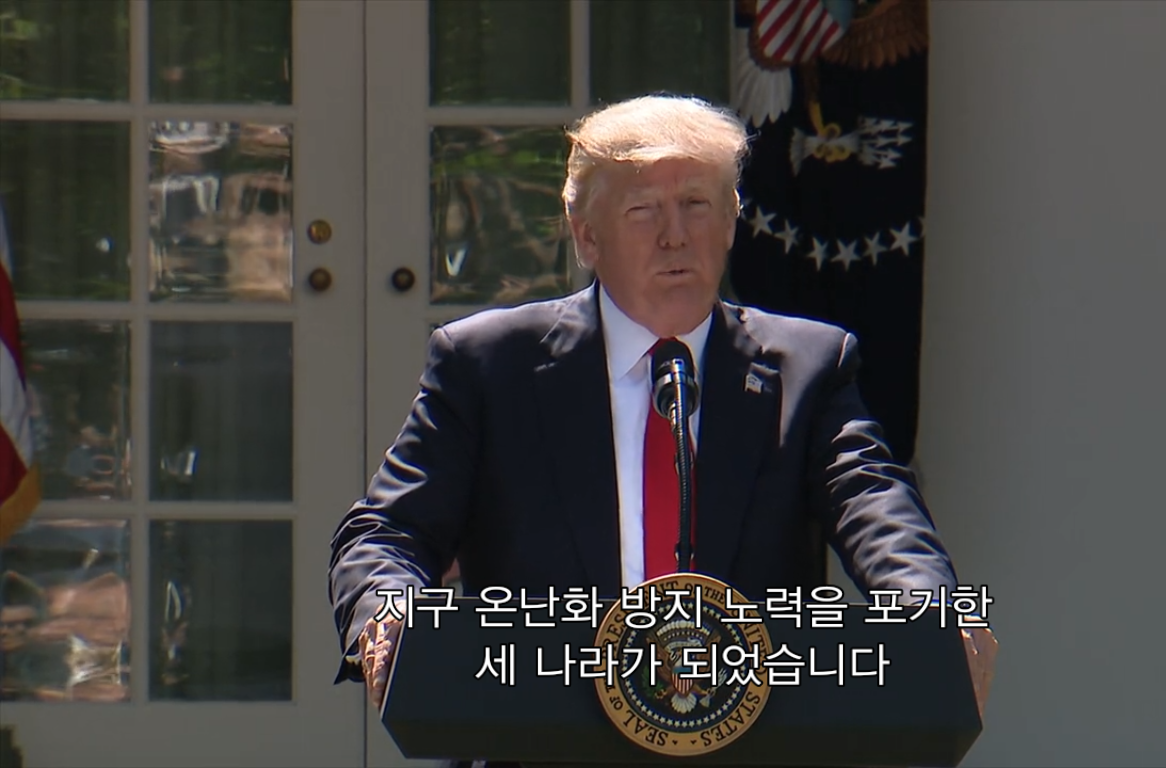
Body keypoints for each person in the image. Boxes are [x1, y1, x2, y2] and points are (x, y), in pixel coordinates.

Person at [328, 95, 993, 767]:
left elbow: (876, 507)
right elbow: (388, 531)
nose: (675, 236)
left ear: (731, 222)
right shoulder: (489, 365)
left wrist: (934, 614)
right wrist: (388, 617)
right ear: (587, 237)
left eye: (697, 205)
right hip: (537, 742)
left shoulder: (810, 367)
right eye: (643, 210)